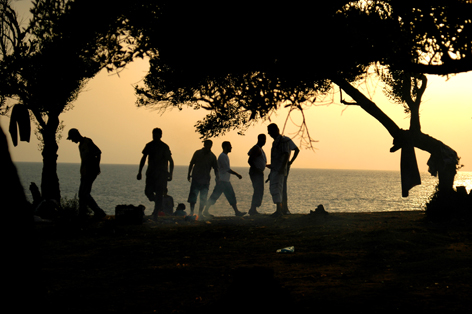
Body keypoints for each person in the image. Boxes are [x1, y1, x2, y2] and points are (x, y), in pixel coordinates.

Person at [67, 128, 106, 219]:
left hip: (90, 171)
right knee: (82, 194)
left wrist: (97, 166)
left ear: (76, 136)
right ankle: (82, 213)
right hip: (84, 172)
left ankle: (98, 212)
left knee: (85, 193)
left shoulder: (87, 142)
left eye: (72, 138)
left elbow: (98, 152)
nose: (72, 141)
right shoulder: (80, 145)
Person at [137, 128, 174, 219]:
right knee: (148, 192)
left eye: (157, 135)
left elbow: (171, 161)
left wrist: (170, 173)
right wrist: (139, 172)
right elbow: (143, 158)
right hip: (151, 173)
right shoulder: (149, 145)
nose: (155, 136)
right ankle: (158, 203)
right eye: (154, 134)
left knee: (159, 193)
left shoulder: (164, 147)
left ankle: (156, 213)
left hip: (161, 174)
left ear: (161, 135)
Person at [203, 141, 246, 217]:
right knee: (215, 196)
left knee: (230, 195)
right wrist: (237, 174)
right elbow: (227, 169)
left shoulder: (225, 156)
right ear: (225, 147)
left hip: (225, 181)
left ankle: (236, 211)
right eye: (230, 146)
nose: (231, 147)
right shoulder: (222, 156)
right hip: (222, 181)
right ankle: (205, 211)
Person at [187, 140, 219, 216]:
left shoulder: (212, 156)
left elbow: (216, 168)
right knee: (193, 196)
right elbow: (191, 163)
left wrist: (217, 178)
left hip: (205, 180)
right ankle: (192, 212)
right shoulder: (197, 153)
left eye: (209, 145)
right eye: (206, 144)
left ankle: (200, 213)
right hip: (196, 178)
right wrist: (189, 174)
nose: (208, 146)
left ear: (211, 145)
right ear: (204, 144)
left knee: (203, 197)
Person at [266, 123, 290, 217]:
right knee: (274, 189)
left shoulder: (283, 141)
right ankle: (278, 210)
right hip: (275, 169)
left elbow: (286, 154)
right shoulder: (275, 142)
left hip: (279, 170)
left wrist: (281, 168)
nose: (269, 133)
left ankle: (279, 210)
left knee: (278, 189)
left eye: (270, 131)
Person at [247, 134, 267, 216]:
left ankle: (253, 209)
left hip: (258, 171)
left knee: (258, 190)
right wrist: (256, 169)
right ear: (259, 139)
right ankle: (253, 209)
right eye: (262, 139)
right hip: (256, 172)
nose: (264, 141)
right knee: (258, 190)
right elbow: (250, 160)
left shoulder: (259, 149)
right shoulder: (256, 148)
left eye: (265, 139)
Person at [282, 137, 300, 214]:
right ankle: (282, 208)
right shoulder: (278, 141)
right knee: (281, 187)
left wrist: (290, 161)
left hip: (284, 166)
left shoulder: (285, 140)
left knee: (282, 186)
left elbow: (297, 150)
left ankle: (284, 208)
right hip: (281, 166)